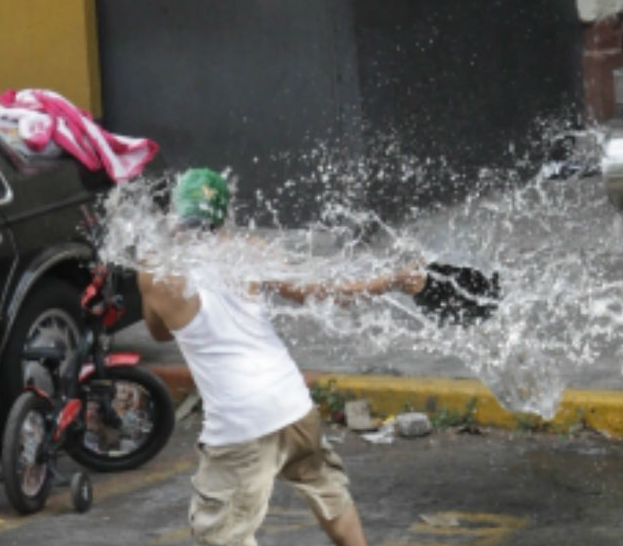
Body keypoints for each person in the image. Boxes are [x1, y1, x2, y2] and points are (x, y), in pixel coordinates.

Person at [138, 168, 427, 546]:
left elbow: (158, 331)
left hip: (240, 427)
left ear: (176, 216)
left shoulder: (160, 276)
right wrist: (390, 280)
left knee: (222, 534)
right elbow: (323, 290)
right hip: (293, 406)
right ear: (224, 215)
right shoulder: (252, 252)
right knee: (328, 492)